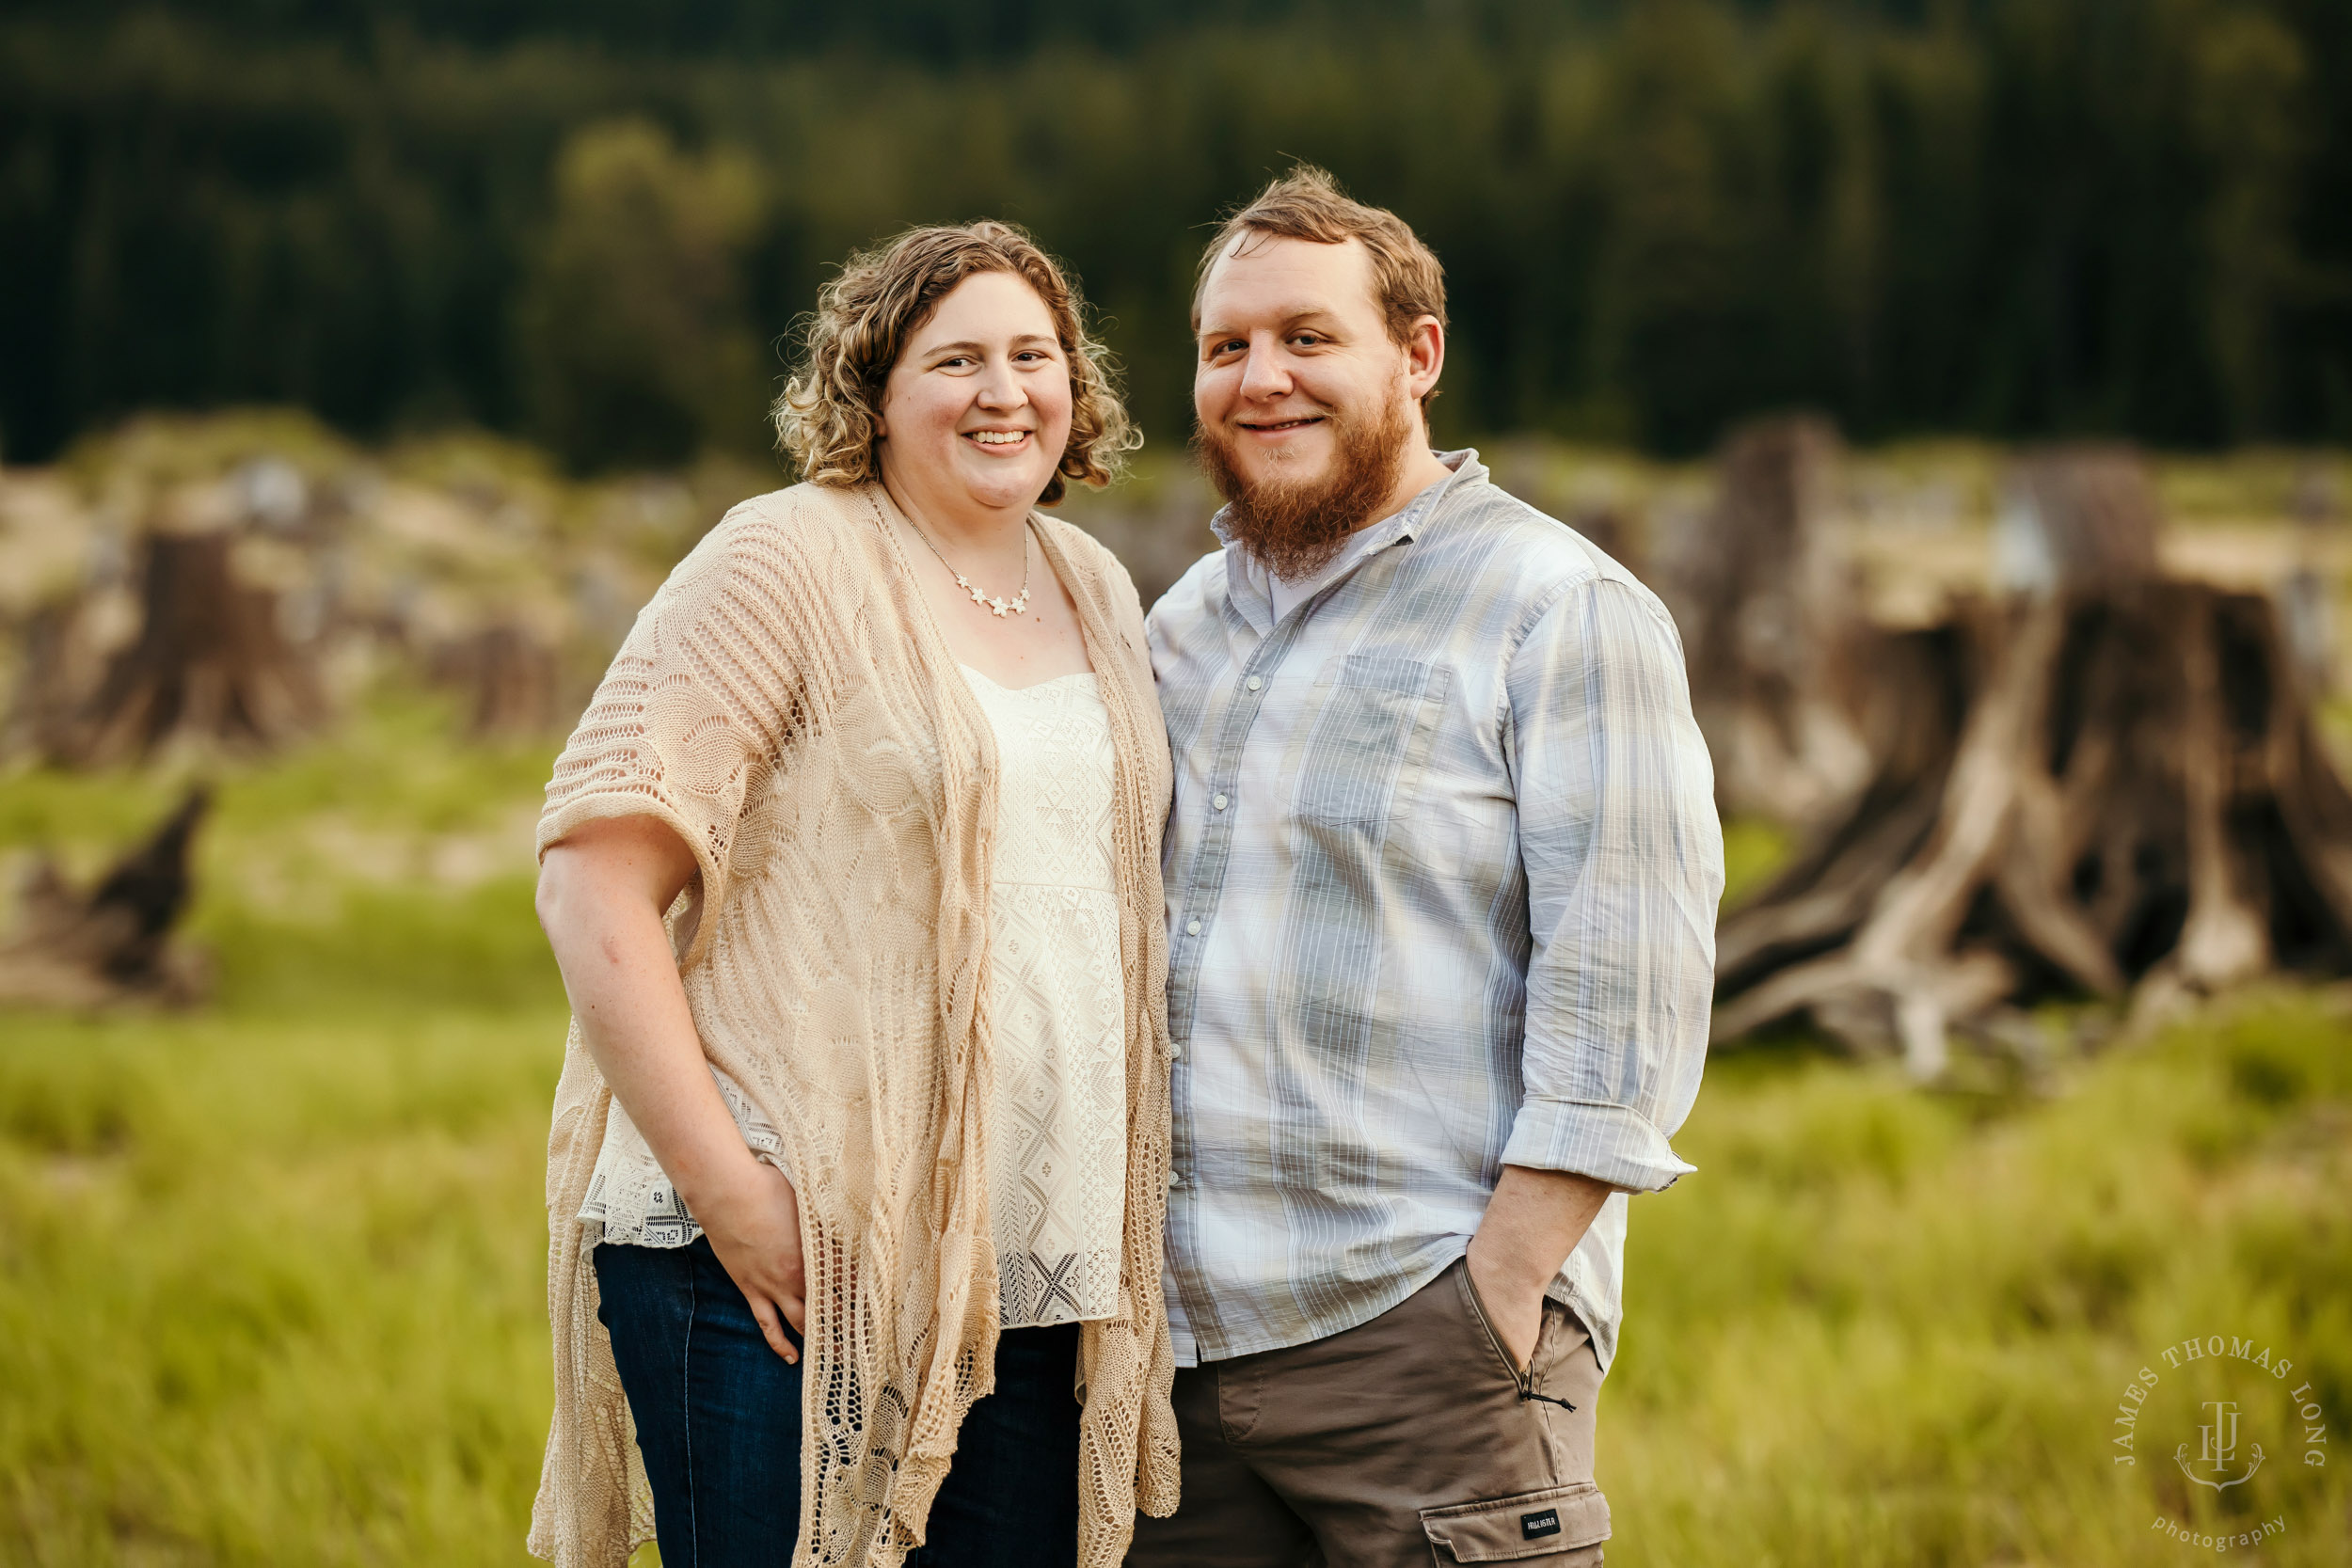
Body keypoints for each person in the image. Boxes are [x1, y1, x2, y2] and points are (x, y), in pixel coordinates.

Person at [527, 221, 1181, 1568]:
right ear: (874, 394)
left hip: (1025, 1267)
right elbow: (594, 880)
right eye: (957, 361)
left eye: (1034, 355)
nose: (1005, 393)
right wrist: (733, 1197)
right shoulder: (784, 561)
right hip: (778, 1258)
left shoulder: (1097, 586)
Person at [1127, 167, 1723, 1567]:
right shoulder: (1181, 625)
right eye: (1227, 348)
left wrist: (1494, 1295)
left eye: (1307, 338)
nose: (1262, 378)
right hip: (1168, 1375)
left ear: (1418, 355)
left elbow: (1626, 988)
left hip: (1425, 1347)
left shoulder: (1561, 610)